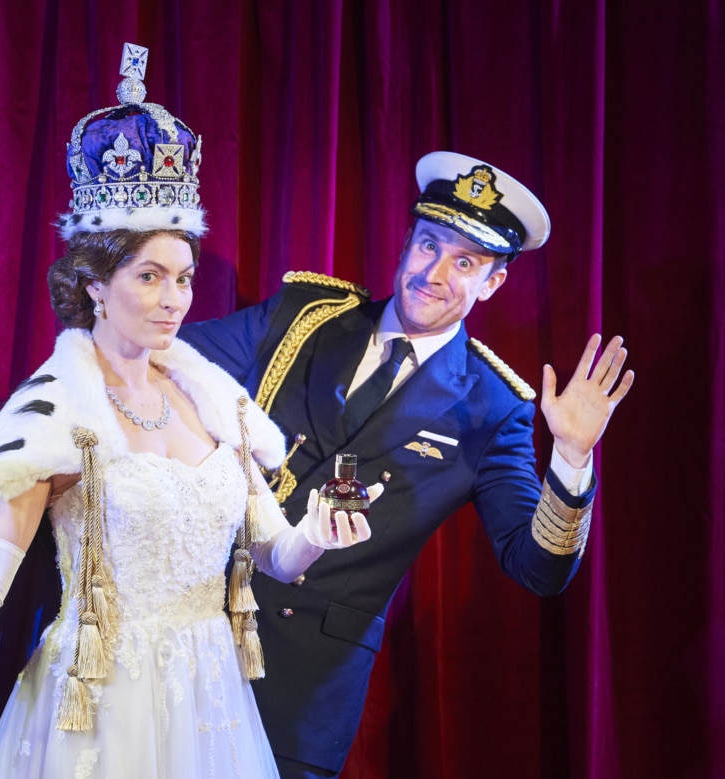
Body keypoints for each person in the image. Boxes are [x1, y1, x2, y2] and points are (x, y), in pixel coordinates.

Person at [0, 44, 377, 779]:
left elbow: (273, 552)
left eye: (182, 276)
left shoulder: (218, 404)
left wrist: (316, 534)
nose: (175, 297)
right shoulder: (53, 412)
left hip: (210, 699)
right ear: (93, 283)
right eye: (150, 276)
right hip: (97, 706)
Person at [180, 150, 635, 778]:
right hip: (191, 630)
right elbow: (169, 358)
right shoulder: (305, 317)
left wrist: (573, 457)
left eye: (465, 262)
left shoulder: (490, 408)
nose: (435, 273)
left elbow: (538, 569)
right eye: (429, 244)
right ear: (406, 243)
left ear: (493, 282)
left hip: (303, 689)